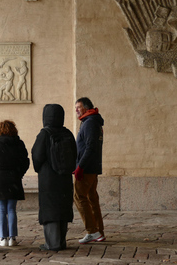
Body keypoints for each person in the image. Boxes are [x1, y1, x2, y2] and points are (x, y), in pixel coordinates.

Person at [31, 104, 75, 251]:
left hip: (48, 178)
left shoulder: (44, 133)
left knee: (50, 210)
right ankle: (61, 241)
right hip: (65, 178)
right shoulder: (67, 133)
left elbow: (37, 155)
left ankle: (52, 243)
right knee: (62, 209)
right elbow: (75, 154)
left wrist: (40, 169)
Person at [0, 120, 29, 247]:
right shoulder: (18, 143)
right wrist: (19, 174)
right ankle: (12, 238)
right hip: (14, 178)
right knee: (12, 209)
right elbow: (25, 161)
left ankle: (2, 238)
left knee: (1, 210)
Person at [73, 97, 106, 244]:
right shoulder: (91, 121)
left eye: (78, 107)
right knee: (92, 198)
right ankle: (98, 231)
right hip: (91, 167)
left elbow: (90, 147)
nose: (76, 110)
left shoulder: (90, 123)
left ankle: (92, 231)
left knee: (79, 197)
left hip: (86, 168)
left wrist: (80, 166)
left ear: (86, 108)